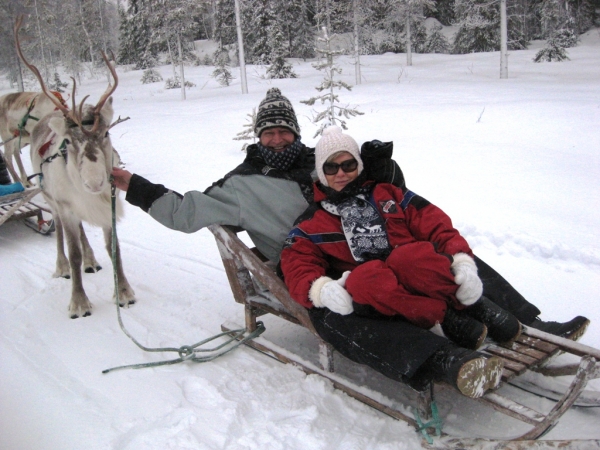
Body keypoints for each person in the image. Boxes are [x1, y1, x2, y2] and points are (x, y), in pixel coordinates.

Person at [111, 87, 589, 395]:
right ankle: (440, 358)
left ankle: (531, 323)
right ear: (257, 138)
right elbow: (183, 212)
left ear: (296, 136)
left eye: (284, 130)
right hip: (312, 268)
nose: (277, 139)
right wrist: (131, 182)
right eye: (268, 132)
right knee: (332, 316)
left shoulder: (320, 164)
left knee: (445, 250)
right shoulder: (239, 185)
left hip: (374, 245)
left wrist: (384, 172)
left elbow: (390, 198)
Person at [280, 126, 528, 396]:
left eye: (348, 164)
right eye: (331, 168)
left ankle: (479, 309)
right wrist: (320, 288)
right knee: (366, 277)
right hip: (383, 293)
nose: (341, 173)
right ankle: (447, 320)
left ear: (359, 165)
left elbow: (435, 224)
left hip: (421, 274)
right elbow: (296, 263)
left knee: (410, 256)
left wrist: (463, 262)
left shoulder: (388, 194)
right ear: (321, 173)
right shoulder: (311, 222)